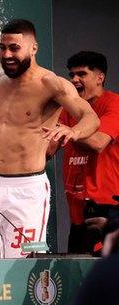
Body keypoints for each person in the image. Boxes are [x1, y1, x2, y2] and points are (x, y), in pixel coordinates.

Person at [0, 19, 100, 258]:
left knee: (22, 261)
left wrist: (73, 131)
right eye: (3, 47)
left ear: (33, 48)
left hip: (27, 189)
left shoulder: (52, 84)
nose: (7, 54)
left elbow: (90, 117)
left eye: (14, 48)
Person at [48, 51, 119, 254]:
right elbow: (48, 151)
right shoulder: (69, 108)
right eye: (71, 75)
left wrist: (71, 131)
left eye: (81, 74)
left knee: (105, 280)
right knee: (76, 279)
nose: (74, 80)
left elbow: (98, 142)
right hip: (77, 211)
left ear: (100, 77)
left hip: (108, 211)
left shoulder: (114, 104)